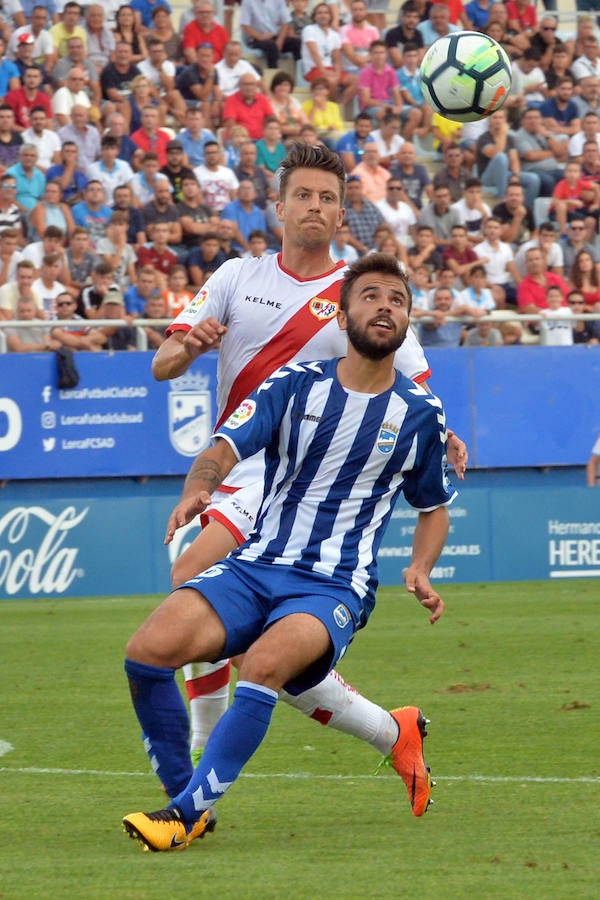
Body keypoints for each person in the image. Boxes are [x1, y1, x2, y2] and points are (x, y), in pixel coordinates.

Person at [149, 142, 467, 789]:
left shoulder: (357, 294)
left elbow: (415, 383)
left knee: (191, 575)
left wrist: (448, 433)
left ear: (342, 211)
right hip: (231, 465)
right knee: (266, 658)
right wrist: (190, 346)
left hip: (292, 482)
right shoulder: (237, 278)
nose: (315, 207)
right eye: (303, 195)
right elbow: (162, 364)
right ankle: (390, 730)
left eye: (327, 198)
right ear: (279, 205)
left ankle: (200, 761)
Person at [121, 252, 455, 851]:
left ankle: (185, 815)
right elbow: (225, 445)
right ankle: (185, 795)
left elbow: (433, 506)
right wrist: (199, 485)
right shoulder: (295, 386)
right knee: (147, 653)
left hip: (333, 585)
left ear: (406, 322)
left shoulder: (420, 414)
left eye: (398, 300)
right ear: (344, 312)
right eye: (372, 295)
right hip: (256, 566)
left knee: (264, 666)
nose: (385, 306)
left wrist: (420, 568)